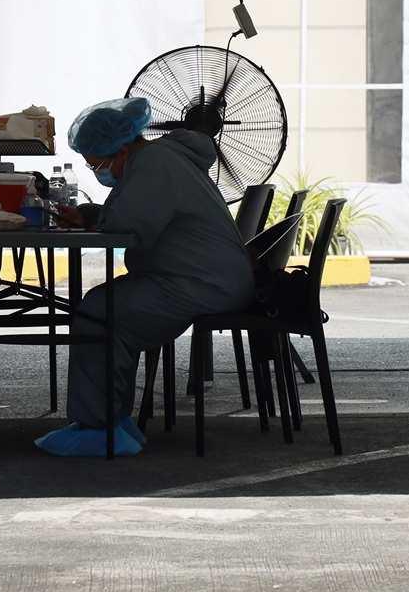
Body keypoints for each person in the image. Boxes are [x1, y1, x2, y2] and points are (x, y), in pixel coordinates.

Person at [36, 96, 254, 457]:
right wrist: (89, 215)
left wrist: (97, 219)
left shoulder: (154, 163)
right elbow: (136, 211)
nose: (97, 171)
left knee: (98, 314)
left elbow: (130, 225)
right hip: (202, 277)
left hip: (201, 283)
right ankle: (112, 419)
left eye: (97, 164)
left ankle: (99, 430)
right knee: (103, 306)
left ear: (122, 150)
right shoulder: (158, 158)